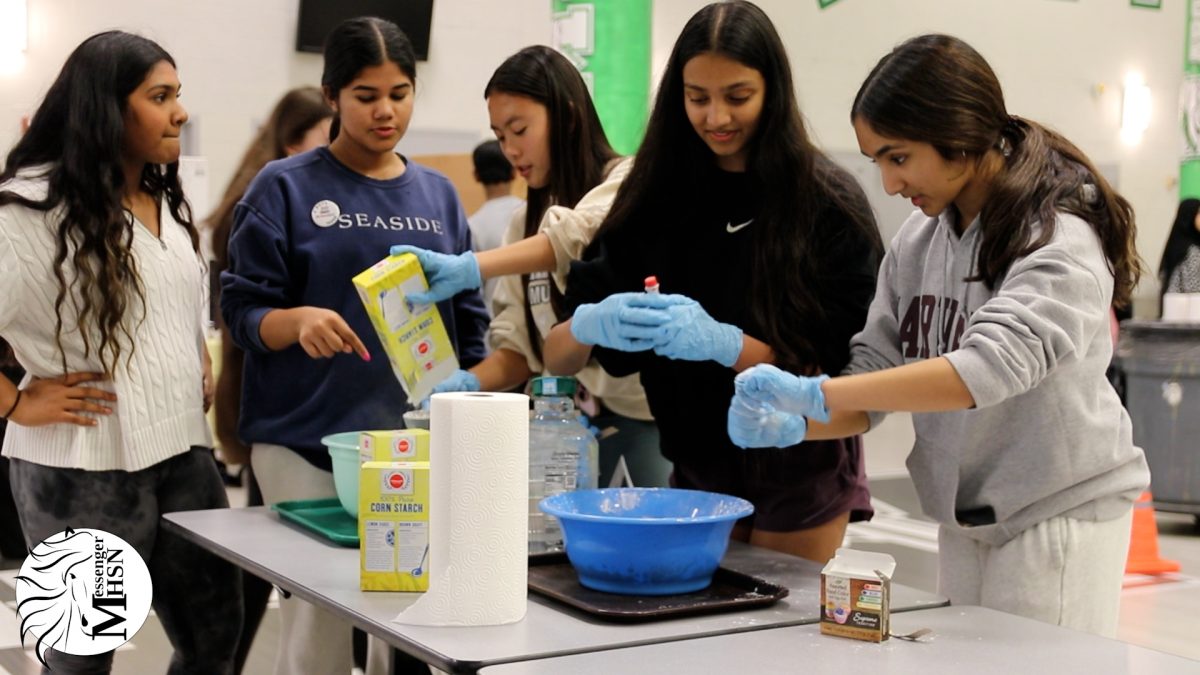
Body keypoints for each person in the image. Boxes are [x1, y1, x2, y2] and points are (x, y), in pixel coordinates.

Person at [728, 34, 1150, 637]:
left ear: (957, 136)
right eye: (875, 160)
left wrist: (818, 393)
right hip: (966, 518)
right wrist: (800, 422)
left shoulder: (1059, 235)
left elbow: (986, 370)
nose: (889, 183)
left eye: (897, 158)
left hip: (1056, 515)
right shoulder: (919, 241)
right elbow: (871, 378)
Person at [540, 0, 884, 563]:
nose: (716, 117)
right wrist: (587, 321)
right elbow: (559, 358)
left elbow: (842, 379)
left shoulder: (826, 204)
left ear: (772, 90)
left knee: (773, 635)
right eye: (697, 98)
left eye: (737, 97)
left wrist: (727, 346)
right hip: (694, 465)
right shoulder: (652, 199)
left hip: (798, 465)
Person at [220, 16, 487, 675]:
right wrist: (296, 321)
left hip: (411, 444)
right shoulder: (284, 187)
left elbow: (470, 320)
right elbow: (239, 308)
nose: (386, 110)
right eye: (367, 95)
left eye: (400, 92)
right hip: (303, 441)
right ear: (332, 94)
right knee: (321, 619)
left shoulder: (439, 195)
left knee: (409, 621)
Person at [0, 30, 242, 672]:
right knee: (81, 660)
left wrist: (196, 353)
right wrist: (15, 403)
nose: (180, 113)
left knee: (217, 635)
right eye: (160, 96)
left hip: (183, 452)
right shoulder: (29, 210)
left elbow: (168, 295)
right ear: (106, 109)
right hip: (80, 466)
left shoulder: (160, 196)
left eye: (177, 95)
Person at [395, 46, 669, 489]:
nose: (510, 151)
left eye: (519, 130)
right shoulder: (519, 225)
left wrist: (472, 267)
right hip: (559, 431)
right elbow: (521, 353)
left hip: (643, 427)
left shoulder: (628, 183)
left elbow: (572, 236)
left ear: (569, 116)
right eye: (500, 136)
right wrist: (462, 386)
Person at [204, 85, 333, 675]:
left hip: (268, 398)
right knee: (274, 568)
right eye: (328, 134)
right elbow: (246, 314)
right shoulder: (268, 201)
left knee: (271, 567)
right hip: (277, 401)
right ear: (293, 143)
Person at [467, 139, 522, 312]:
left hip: (494, 324)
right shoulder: (533, 213)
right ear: (514, 172)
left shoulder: (471, 226)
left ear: (476, 175)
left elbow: (474, 286)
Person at [1158, 198, 1200, 304]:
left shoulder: (1176, 243)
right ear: (1189, 216)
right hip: (1188, 311)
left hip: (1174, 309)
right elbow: (1193, 288)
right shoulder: (1192, 250)